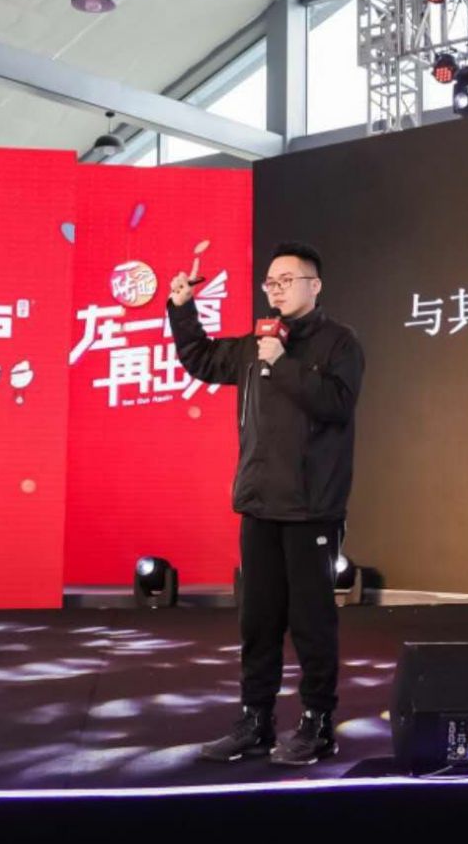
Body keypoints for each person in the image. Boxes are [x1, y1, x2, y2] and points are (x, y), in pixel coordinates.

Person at [166, 241, 365, 767]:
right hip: (259, 505)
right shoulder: (257, 342)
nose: (275, 289)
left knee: (312, 623)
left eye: (286, 280)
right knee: (257, 623)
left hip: (311, 510)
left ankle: (317, 724)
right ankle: (254, 721)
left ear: (314, 285)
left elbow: (338, 405)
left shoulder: (340, 342)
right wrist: (182, 308)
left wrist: (285, 364)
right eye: (270, 282)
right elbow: (201, 359)